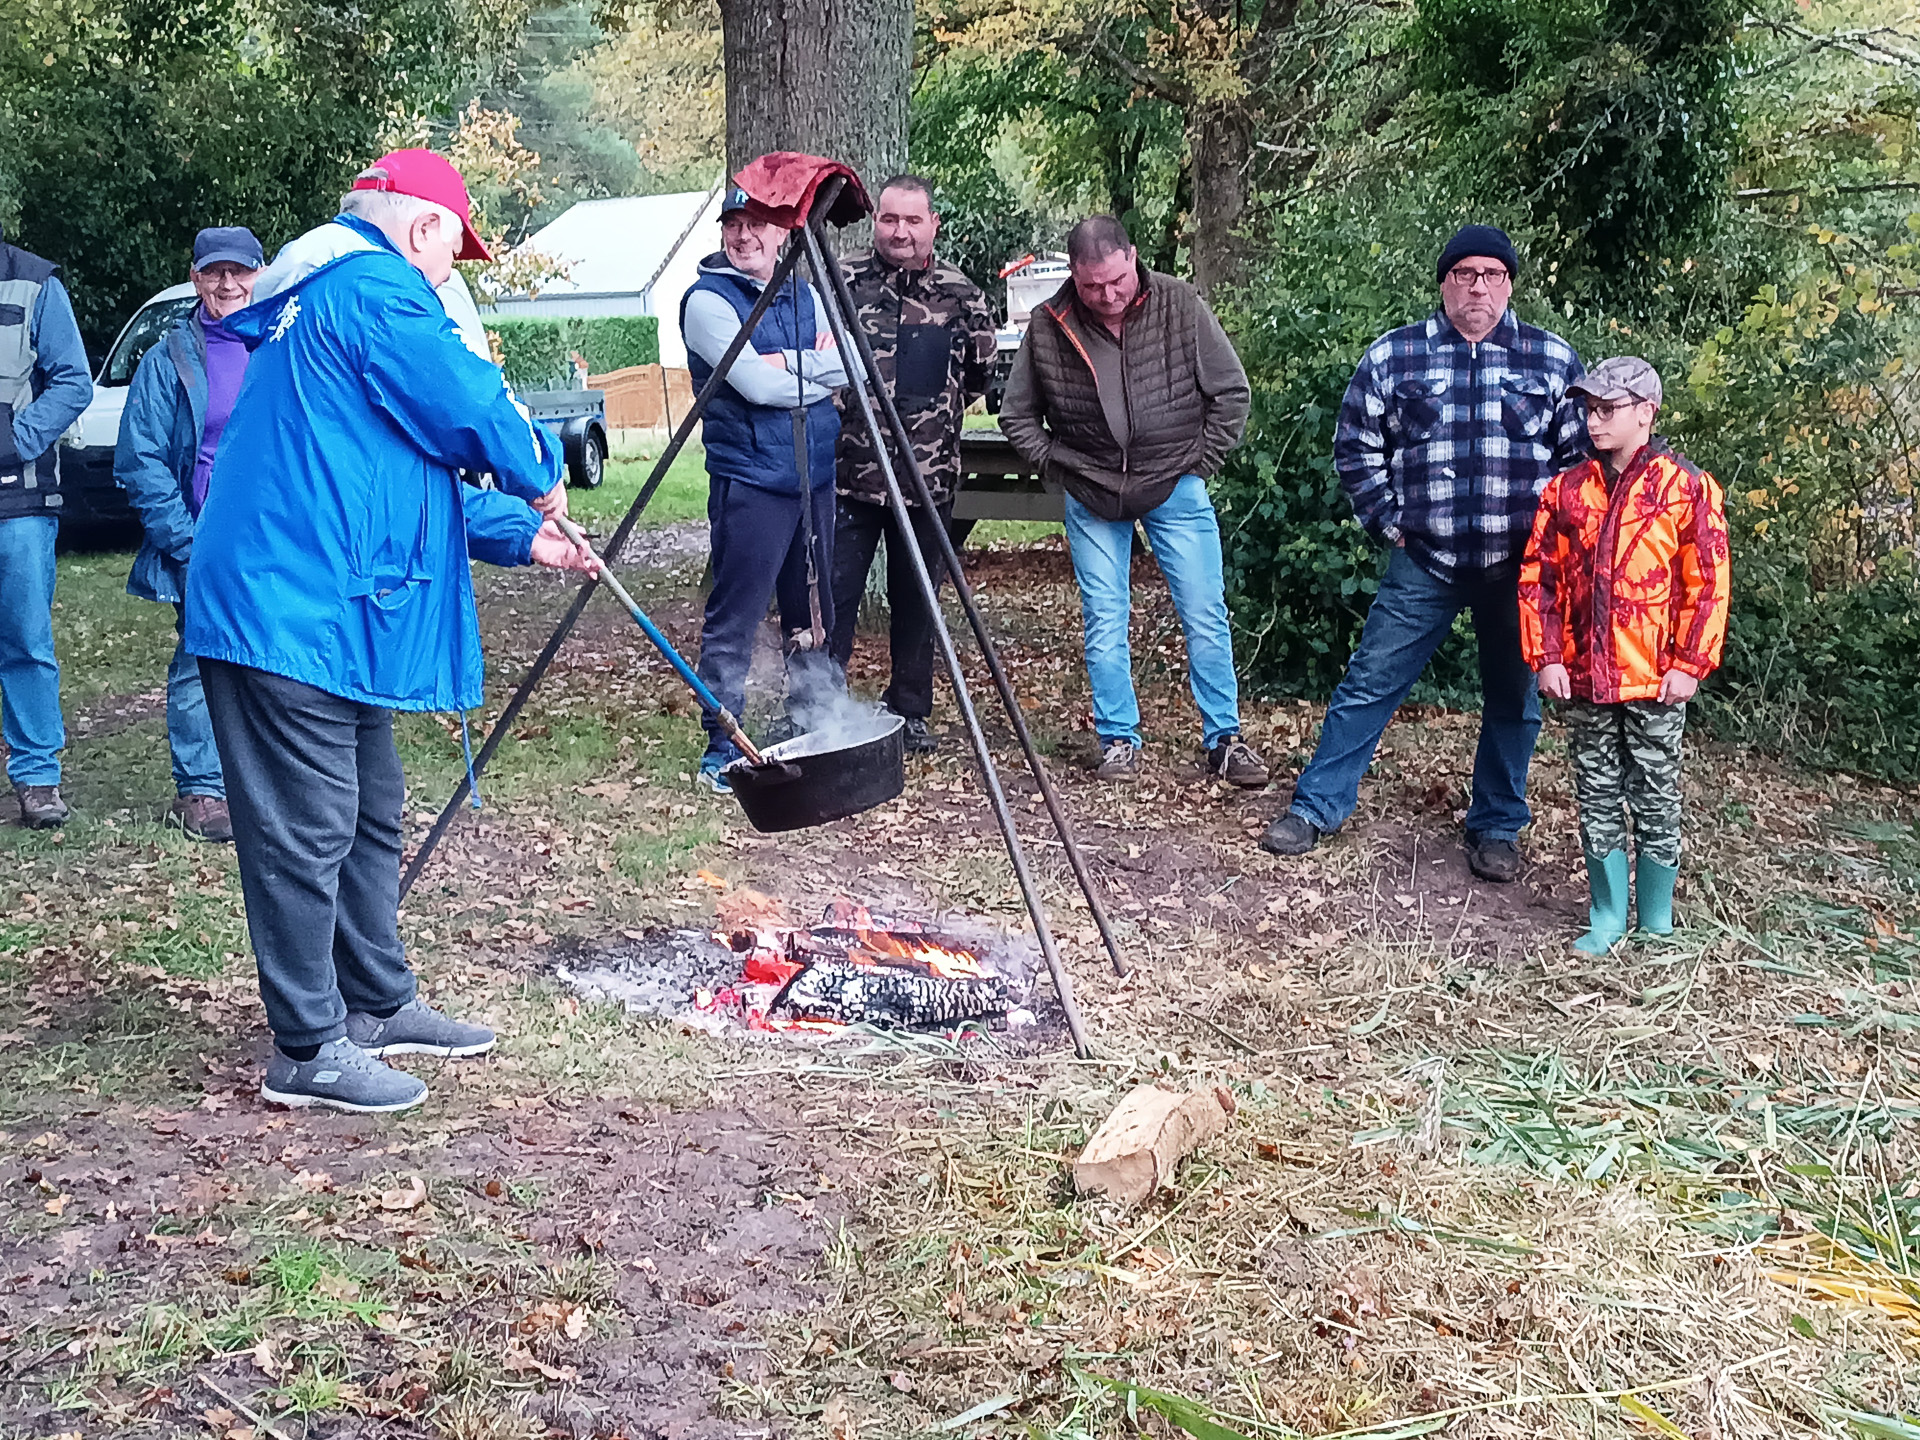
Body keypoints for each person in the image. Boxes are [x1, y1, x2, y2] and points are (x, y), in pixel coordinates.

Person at [183, 150, 599, 1113]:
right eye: (455, 254)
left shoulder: (336, 296)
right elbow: (465, 407)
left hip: (330, 599)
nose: (453, 276)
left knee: (371, 811)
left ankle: (376, 1001)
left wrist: (523, 535)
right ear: (423, 229)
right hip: (284, 604)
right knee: (305, 828)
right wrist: (537, 468)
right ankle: (308, 1047)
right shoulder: (371, 286)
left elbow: (399, 469)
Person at [1260, 225, 1586, 881]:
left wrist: (1555, 553)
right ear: (1443, 282)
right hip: (1424, 563)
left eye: (1492, 274)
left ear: (1510, 284)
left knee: (1514, 700)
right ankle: (1316, 807)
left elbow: (1579, 467)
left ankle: (1496, 827)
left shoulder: (1551, 361)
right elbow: (1354, 446)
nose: (1478, 286)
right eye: (1465, 273)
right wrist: (1386, 520)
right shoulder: (1395, 356)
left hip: (1516, 568)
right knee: (1369, 683)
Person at [998, 215, 1267, 788]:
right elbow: (1016, 415)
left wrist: (1201, 463)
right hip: (1092, 488)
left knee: (1204, 613)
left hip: (1174, 480)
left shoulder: (1179, 303)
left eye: (1116, 280)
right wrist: (1056, 463)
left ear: (1133, 258)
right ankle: (1118, 739)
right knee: (1104, 620)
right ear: (1074, 274)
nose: (1107, 294)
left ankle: (1224, 738)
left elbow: (1231, 393)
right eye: (1093, 285)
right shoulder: (1049, 325)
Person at [1520, 356, 1729, 952]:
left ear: (1646, 413)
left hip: (1657, 679)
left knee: (1658, 795)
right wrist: (1548, 656)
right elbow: (1540, 578)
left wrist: (1691, 664)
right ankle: (1607, 913)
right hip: (1584, 678)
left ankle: (1656, 918)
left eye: (1608, 408)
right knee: (1595, 791)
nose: (1595, 420)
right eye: (1590, 408)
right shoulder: (1566, 490)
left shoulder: (1686, 488)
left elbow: (1707, 584)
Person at [681, 184, 850, 793]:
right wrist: (806, 365)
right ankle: (721, 747)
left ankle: (814, 726)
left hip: (815, 477)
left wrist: (782, 362)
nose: (744, 235)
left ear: (783, 233)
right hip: (751, 481)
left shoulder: (806, 292)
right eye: (733, 224)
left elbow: (851, 364)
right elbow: (755, 387)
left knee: (813, 614)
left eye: (758, 223)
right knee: (737, 617)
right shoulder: (706, 302)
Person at [828, 174, 996, 755]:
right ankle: (821, 709)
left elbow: (976, 377)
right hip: (849, 476)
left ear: (932, 226)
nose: (900, 232)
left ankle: (910, 712)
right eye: (889, 220)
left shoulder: (962, 295)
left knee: (917, 600)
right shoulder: (839, 282)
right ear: (875, 223)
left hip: (927, 483)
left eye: (912, 221)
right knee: (834, 596)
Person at [115, 226, 267, 843]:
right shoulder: (169, 358)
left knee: (272, 659)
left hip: (274, 539)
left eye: (239, 271)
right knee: (200, 658)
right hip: (201, 539)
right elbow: (140, 457)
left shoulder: (283, 349)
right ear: (196, 277)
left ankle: (259, 781)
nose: (227, 284)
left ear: (260, 274)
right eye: (214, 272)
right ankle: (201, 791)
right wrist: (185, 537)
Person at [0, 223, 94, 828]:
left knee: (26, 641)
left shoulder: (35, 283)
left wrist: (14, 442)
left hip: (20, 504)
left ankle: (37, 776)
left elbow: (74, 382)